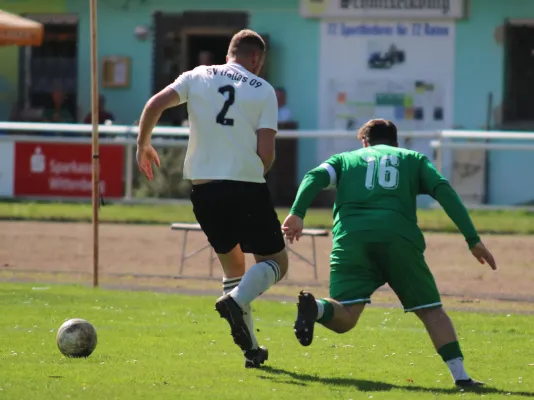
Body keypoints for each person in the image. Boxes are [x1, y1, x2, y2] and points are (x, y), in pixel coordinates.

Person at [282, 118, 497, 388]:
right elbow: (443, 189)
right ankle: (462, 378)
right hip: (398, 239)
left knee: (344, 316)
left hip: (352, 240)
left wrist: (297, 213)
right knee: (431, 311)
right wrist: (472, 238)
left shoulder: (345, 159)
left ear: (363, 142)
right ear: (396, 142)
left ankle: (317, 309)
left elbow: (314, 176)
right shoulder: (412, 159)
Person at [135, 29, 287, 369]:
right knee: (276, 262)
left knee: (234, 267)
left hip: (203, 190)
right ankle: (234, 301)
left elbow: (154, 104)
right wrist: (254, 171)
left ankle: (251, 349)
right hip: (245, 185)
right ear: (256, 58)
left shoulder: (197, 76)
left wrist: (143, 144)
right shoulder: (263, 90)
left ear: (230, 51)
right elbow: (267, 152)